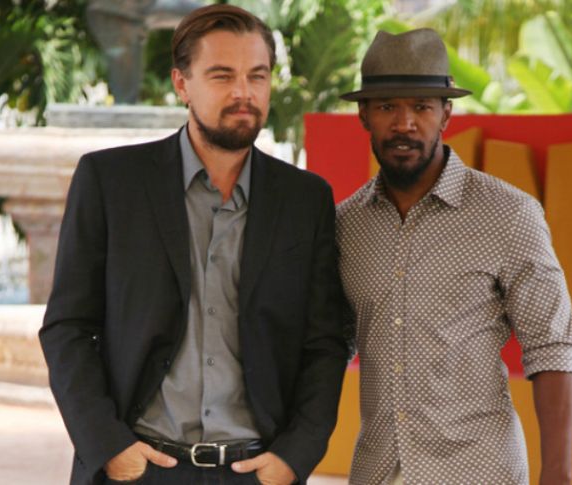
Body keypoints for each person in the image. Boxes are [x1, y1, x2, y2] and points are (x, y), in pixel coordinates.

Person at [40, 5, 348, 485]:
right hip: (140, 468)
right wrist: (109, 446)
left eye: (257, 75)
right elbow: (68, 327)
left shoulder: (306, 199)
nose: (244, 92)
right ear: (181, 84)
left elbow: (325, 342)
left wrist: (294, 457)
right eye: (222, 75)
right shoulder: (111, 182)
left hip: (255, 471)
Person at [336, 28, 572, 485]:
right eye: (387, 107)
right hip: (377, 471)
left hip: (480, 471)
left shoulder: (509, 214)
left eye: (421, 107)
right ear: (363, 114)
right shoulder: (346, 225)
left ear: (446, 113)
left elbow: (551, 347)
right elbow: (328, 346)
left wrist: (558, 474)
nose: (404, 124)